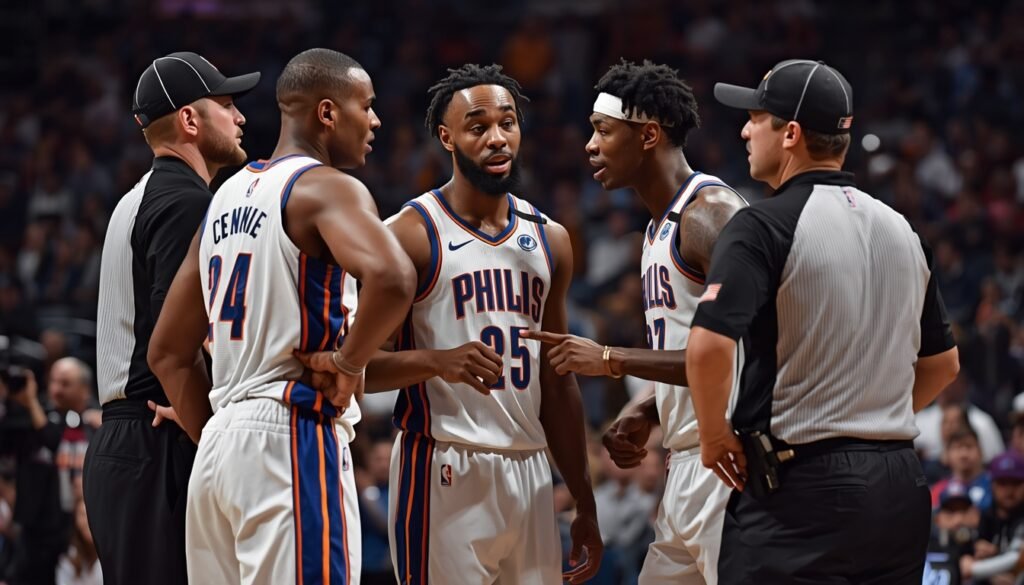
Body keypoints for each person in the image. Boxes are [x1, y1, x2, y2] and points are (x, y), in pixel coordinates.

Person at [299, 63, 602, 585]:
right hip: (442, 466)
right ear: (447, 137)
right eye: (478, 126)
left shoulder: (550, 239)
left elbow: (557, 380)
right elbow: (356, 368)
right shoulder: (409, 234)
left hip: (530, 470)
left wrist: (584, 500)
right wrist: (438, 362)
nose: (497, 138)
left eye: (508, 123)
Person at [687, 59, 961, 582]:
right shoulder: (903, 229)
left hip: (802, 488)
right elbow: (943, 365)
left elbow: (707, 348)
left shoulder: (760, 226)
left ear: (789, 134)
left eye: (756, 117)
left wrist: (714, 436)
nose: (745, 128)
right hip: (899, 485)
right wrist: (867, 422)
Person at [148, 48, 415, 584]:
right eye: (367, 105)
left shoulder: (223, 198)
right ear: (327, 113)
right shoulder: (325, 187)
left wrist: (222, 435)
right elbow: (394, 278)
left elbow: (168, 353)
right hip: (290, 437)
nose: (376, 120)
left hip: (219, 452)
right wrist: (347, 363)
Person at [521, 60, 746, 584]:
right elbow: (699, 347)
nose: (589, 146)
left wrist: (608, 359)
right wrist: (649, 407)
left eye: (602, 131)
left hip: (730, 464)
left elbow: (744, 349)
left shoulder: (709, 214)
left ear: (648, 135)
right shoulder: (655, 231)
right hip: (685, 464)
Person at [83, 51, 259, 585]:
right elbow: (177, 343)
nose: (240, 117)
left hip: (125, 442)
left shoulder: (136, 197)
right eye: (226, 104)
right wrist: (208, 430)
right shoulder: (185, 201)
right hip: (157, 435)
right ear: (190, 120)